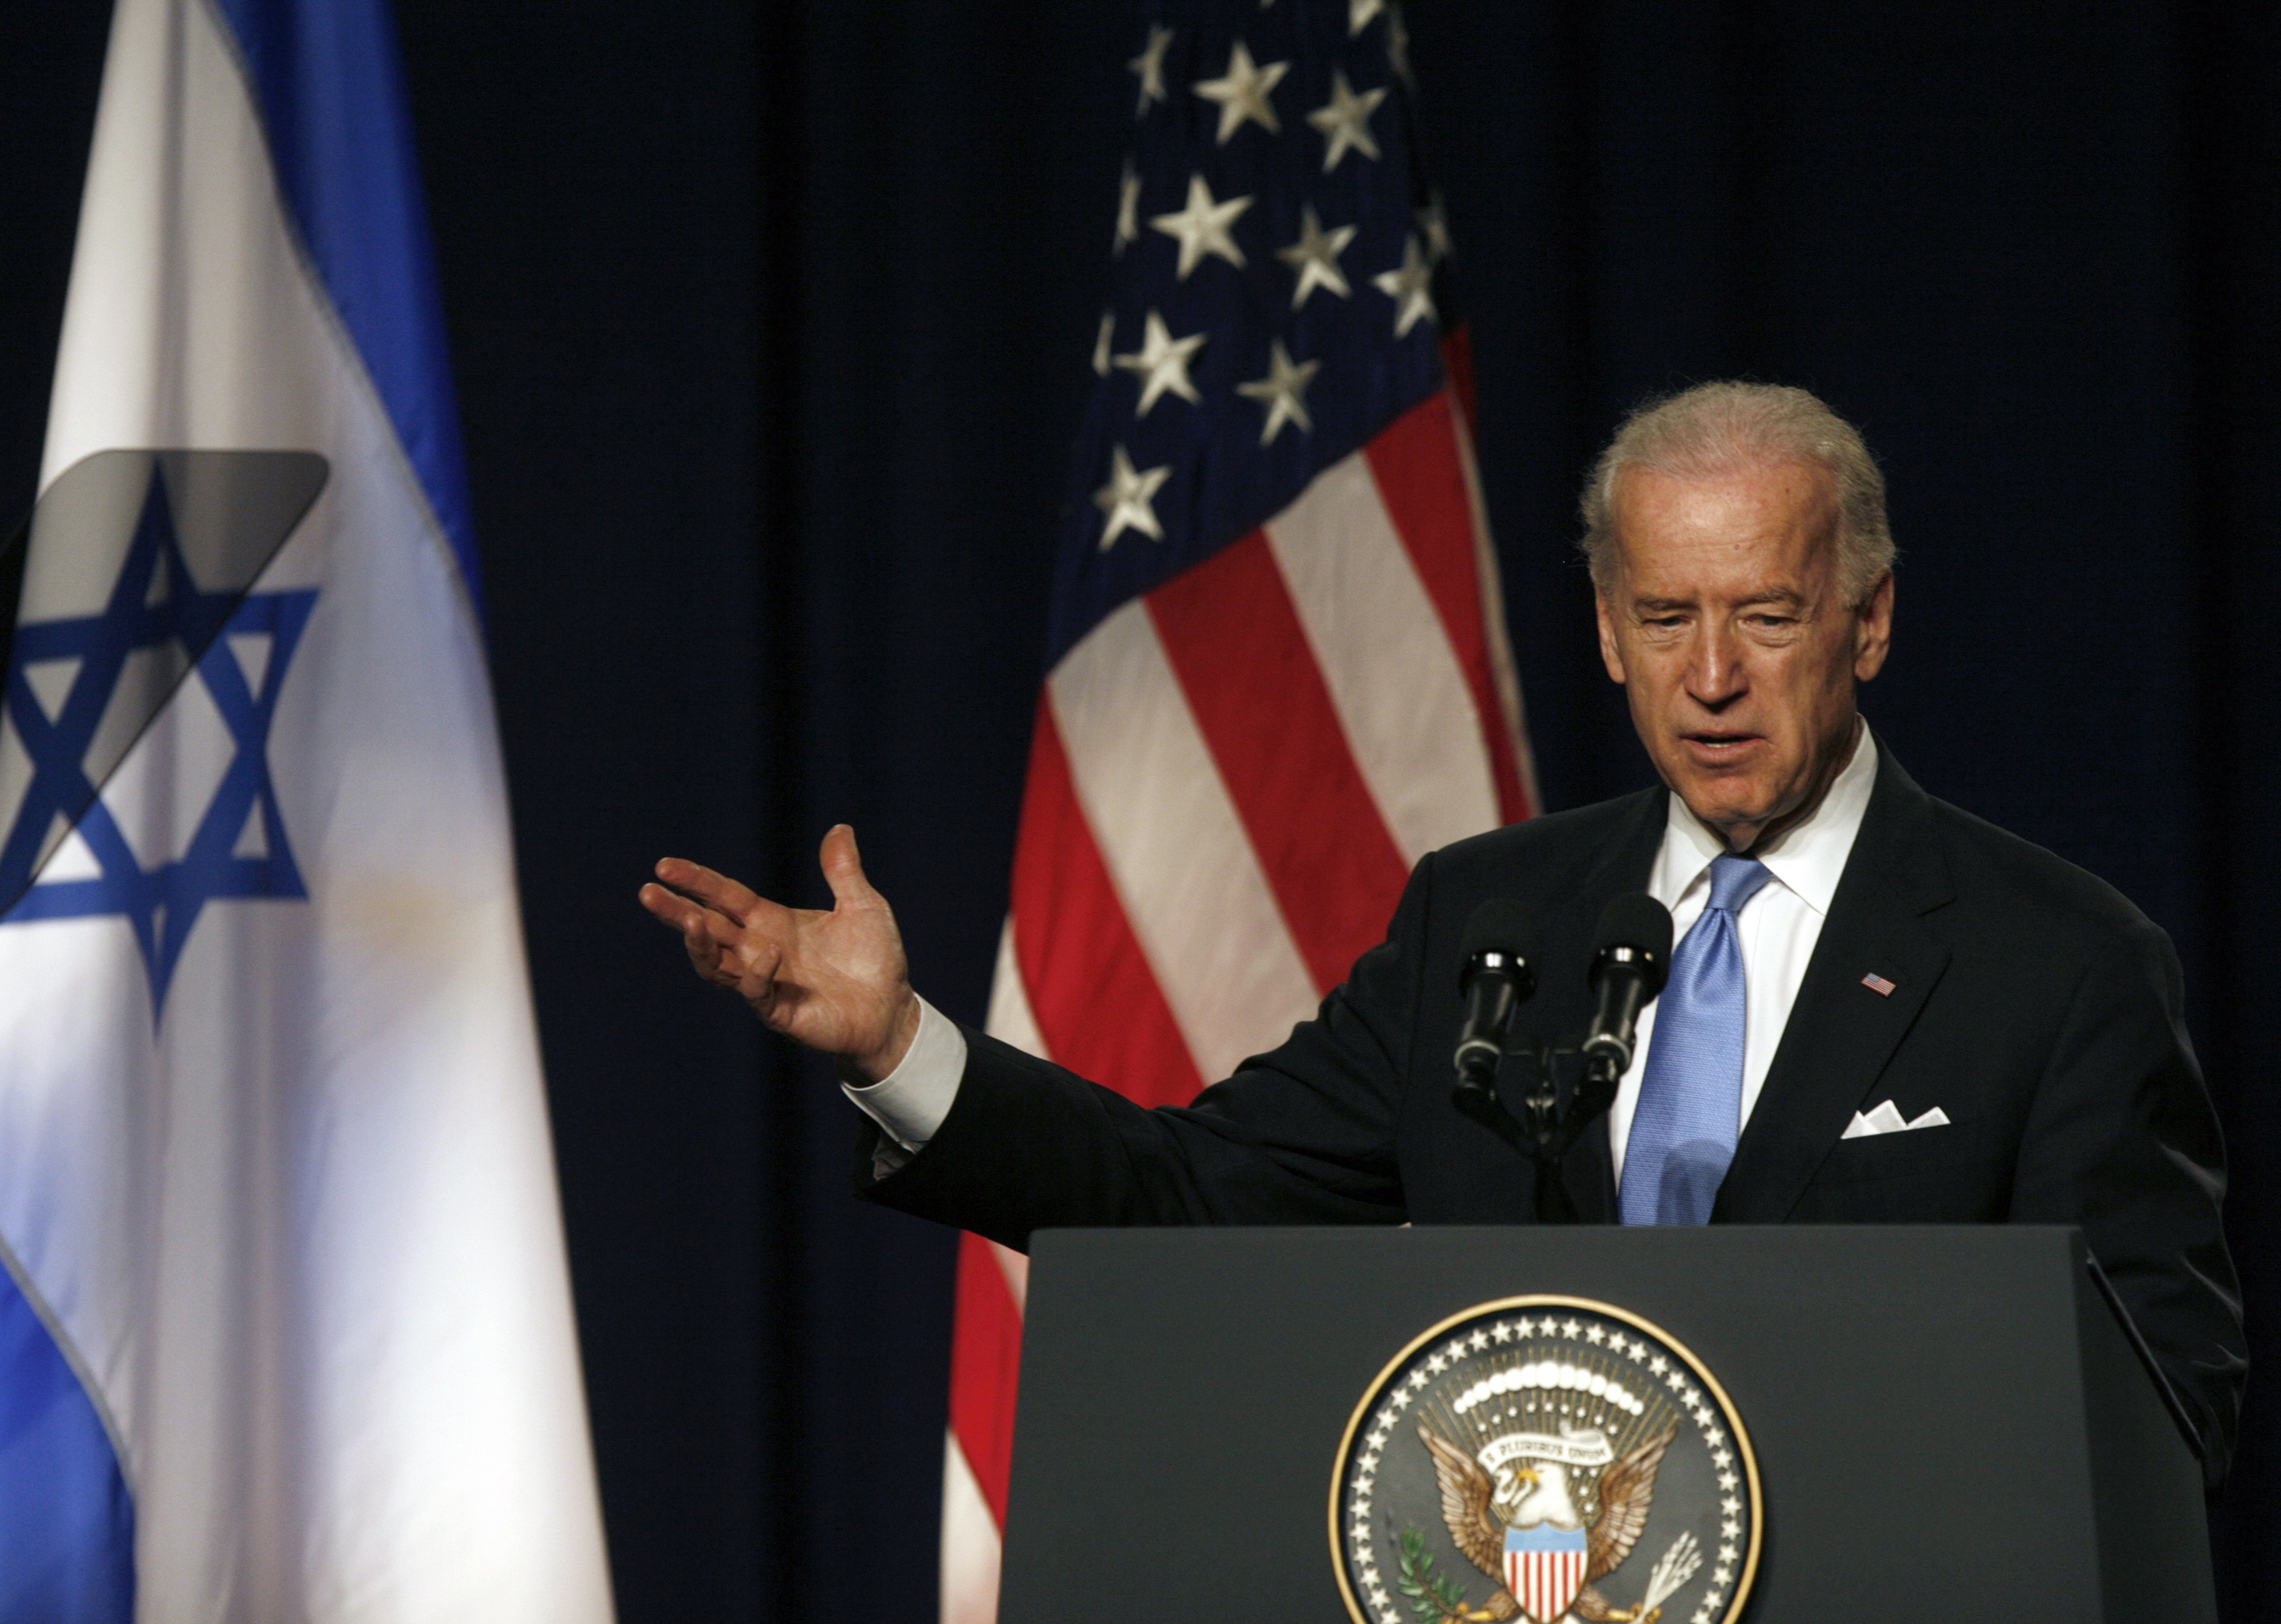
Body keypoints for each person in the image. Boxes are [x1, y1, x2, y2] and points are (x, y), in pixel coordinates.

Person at [639, 382, 2245, 1479]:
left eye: (1764, 615)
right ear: (1607, 631)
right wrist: (902, 1046)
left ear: (1868, 621)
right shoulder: (1493, 915)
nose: (1710, 677)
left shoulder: (2064, 963)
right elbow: (1191, 1193)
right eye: (1665, 619)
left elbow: (2162, 1407)